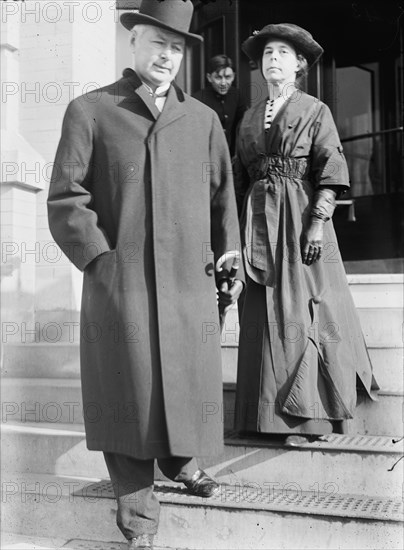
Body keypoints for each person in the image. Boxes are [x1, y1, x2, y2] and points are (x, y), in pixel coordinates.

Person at [47, 1, 244, 549]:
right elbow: (67, 196)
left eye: (177, 48)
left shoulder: (202, 119)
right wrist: (100, 260)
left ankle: (182, 462)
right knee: (128, 387)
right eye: (158, 43)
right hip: (123, 279)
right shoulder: (91, 110)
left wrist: (228, 256)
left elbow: (224, 198)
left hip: (187, 278)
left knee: (182, 374)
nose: (167, 55)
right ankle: (137, 518)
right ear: (133, 44)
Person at [233, 23, 378, 446]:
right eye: (266, 54)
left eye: (282, 53)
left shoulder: (316, 111)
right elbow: (239, 177)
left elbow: (331, 171)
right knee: (261, 311)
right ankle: (258, 418)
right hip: (257, 223)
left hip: (300, 222)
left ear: (299, 64)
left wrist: (317, 222)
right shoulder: (246, 118)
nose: (272, 59)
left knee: (300, 309)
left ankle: (306, 420)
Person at [193, 54, 247, 157]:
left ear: (234, 76)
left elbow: (241, 126)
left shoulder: (237, 96)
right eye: (218, 77)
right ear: (209, 77)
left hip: (230, 155)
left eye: (228, 77)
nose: (223, 83)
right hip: (206, 154)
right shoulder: (198, 99)